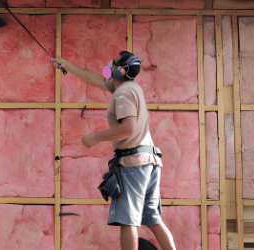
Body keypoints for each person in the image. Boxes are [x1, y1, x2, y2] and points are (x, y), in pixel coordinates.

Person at [52, 51, 177, 250]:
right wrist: (67, 64)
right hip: (148, 161)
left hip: (133, 163)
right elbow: (94, 78)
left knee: (127, 221)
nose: (108, 64)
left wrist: (95, 137)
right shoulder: (130, 87)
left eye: (114, 63)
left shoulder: (123, 94)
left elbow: (128, 128)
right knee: (152, 219)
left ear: (119, 71)